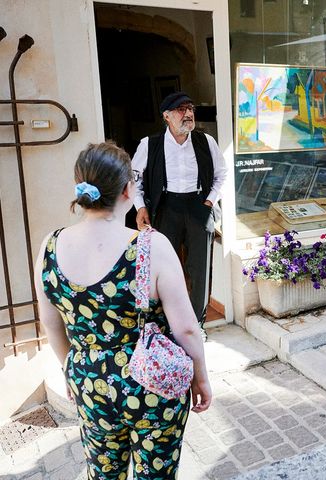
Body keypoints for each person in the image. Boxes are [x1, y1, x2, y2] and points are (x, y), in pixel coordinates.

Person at [35, 142, 213, 479]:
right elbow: (186, 328)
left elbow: (50, 322)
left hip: (90, 383)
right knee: (155, 474)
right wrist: (200, 378)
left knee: (104, 473)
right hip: (151, 384)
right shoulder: (150, 245)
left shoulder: (50, 246)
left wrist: (73, 369)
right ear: (129, 190)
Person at [132, 91, 228, 326]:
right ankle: (167, 324)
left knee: (200, 269)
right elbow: (134, 179)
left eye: (190, 109)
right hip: (166, 207)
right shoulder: (150, 144)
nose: (188, 114)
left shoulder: (206, 141)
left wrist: (209, 201)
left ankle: (197, 325)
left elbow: (222, 174)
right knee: (166, 268)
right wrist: (140, 206)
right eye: (181, 110)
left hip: (199, 206)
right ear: (166, 116)